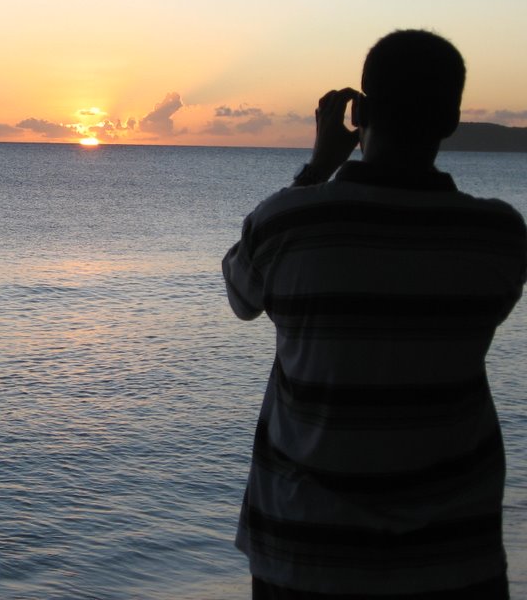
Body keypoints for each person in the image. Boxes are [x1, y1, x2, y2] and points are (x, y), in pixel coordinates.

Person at [222, 30, 527, 599]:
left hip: (305, 552)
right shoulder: (499, 235)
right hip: (453, 557)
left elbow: (242, 298)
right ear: (452, 120)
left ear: (357, 111)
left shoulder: (289, 223)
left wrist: (317, 168)